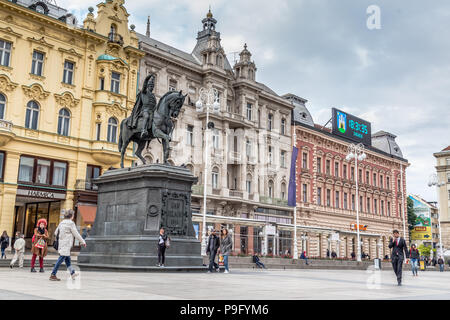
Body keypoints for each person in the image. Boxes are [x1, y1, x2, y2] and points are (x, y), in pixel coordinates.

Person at [50, 210, 86, 281]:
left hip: (62, 244)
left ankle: (72, 273)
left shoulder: (61, 222)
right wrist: (83, 241)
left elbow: (55, 232)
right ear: (72, 216)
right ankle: (53, 274)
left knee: (67, 260)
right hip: (66, 244)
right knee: (61, 259)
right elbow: (76, 234)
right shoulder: (71, 223)